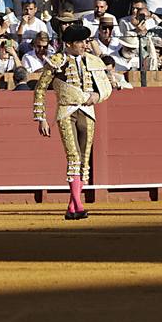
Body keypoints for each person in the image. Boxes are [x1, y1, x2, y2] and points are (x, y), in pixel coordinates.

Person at [33, 24, 113, 220]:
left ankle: (72, 207)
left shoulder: (93, 61)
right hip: (66, 112)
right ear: (69, 44)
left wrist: (98, 95)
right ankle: (78, 203)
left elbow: (105, 86)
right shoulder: (56, 62)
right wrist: (41, 118)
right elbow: (40, 89)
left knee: (84, 160)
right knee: (74, 157)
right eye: (81, 42)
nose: (85, 45)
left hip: (88, 112)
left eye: (86, 41)